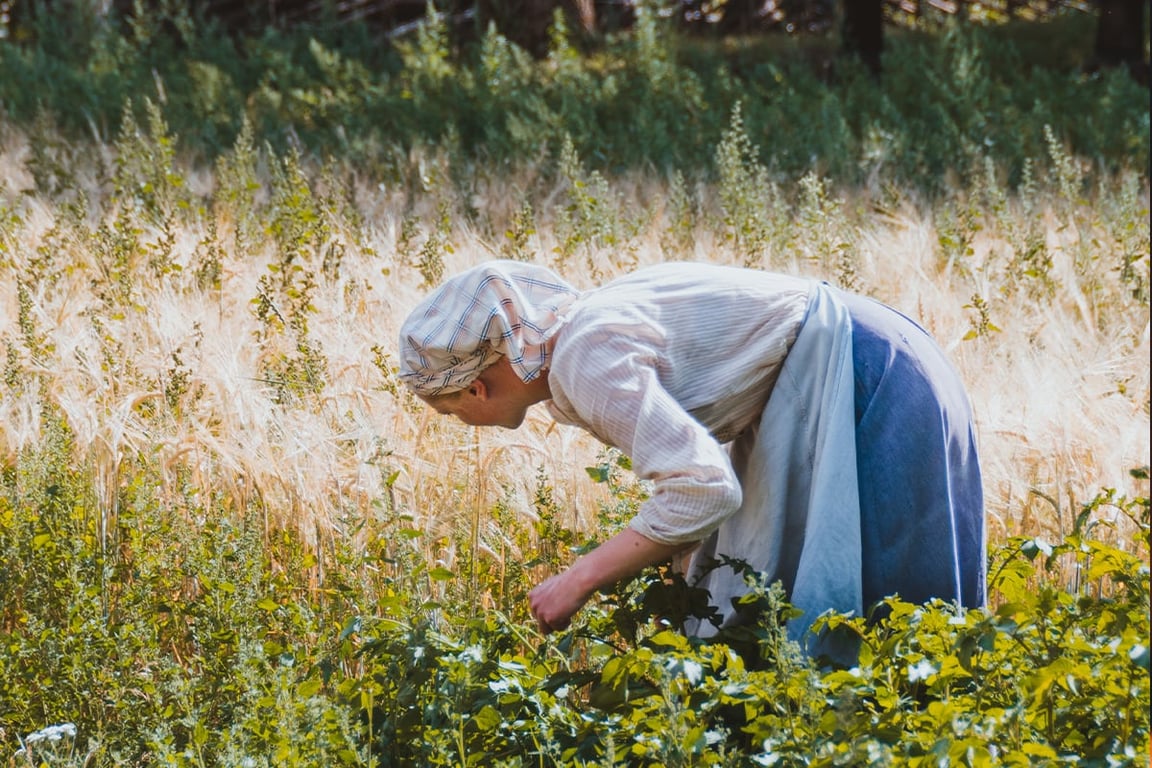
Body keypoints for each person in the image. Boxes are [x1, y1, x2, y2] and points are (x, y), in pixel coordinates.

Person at [397, 259, 986, 657]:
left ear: (475, 388)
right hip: (881, 354)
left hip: (868, 379)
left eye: (449, 412)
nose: (462, 424)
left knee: (896, 623)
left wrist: (577, 580)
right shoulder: (584, 337)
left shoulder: (584, 358)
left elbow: (704, 489)